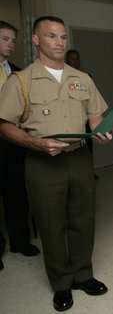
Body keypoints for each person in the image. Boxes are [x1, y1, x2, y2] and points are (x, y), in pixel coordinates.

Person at [0, 16, 113, 312]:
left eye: (63, 36)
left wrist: (100, 129)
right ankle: (62, 283)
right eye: (51, 36)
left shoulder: (82, 78)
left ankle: (83, 275)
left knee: (83, 219)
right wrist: (34, 142)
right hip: (42, 161)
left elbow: (95, 115)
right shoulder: (21, 81)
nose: (60, 42)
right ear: (36, 40)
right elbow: (3, 124)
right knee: (52, 225)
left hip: (78, 157)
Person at [0, 20, 40, 271]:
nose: (11, 44)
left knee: (16, 193)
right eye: (5, 39)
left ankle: (20, 241)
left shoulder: (17, 73)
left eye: (13, 40)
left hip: (13, 141)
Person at [65, 49, 97, 179]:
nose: (75, 62)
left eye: (77, 59)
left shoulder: (86, 78)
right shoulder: (62, 78)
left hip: (85, 121)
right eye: (72, 59)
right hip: (69, 122)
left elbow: (92, 101)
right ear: (67, 60)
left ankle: (88, 174)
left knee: (87, 150)